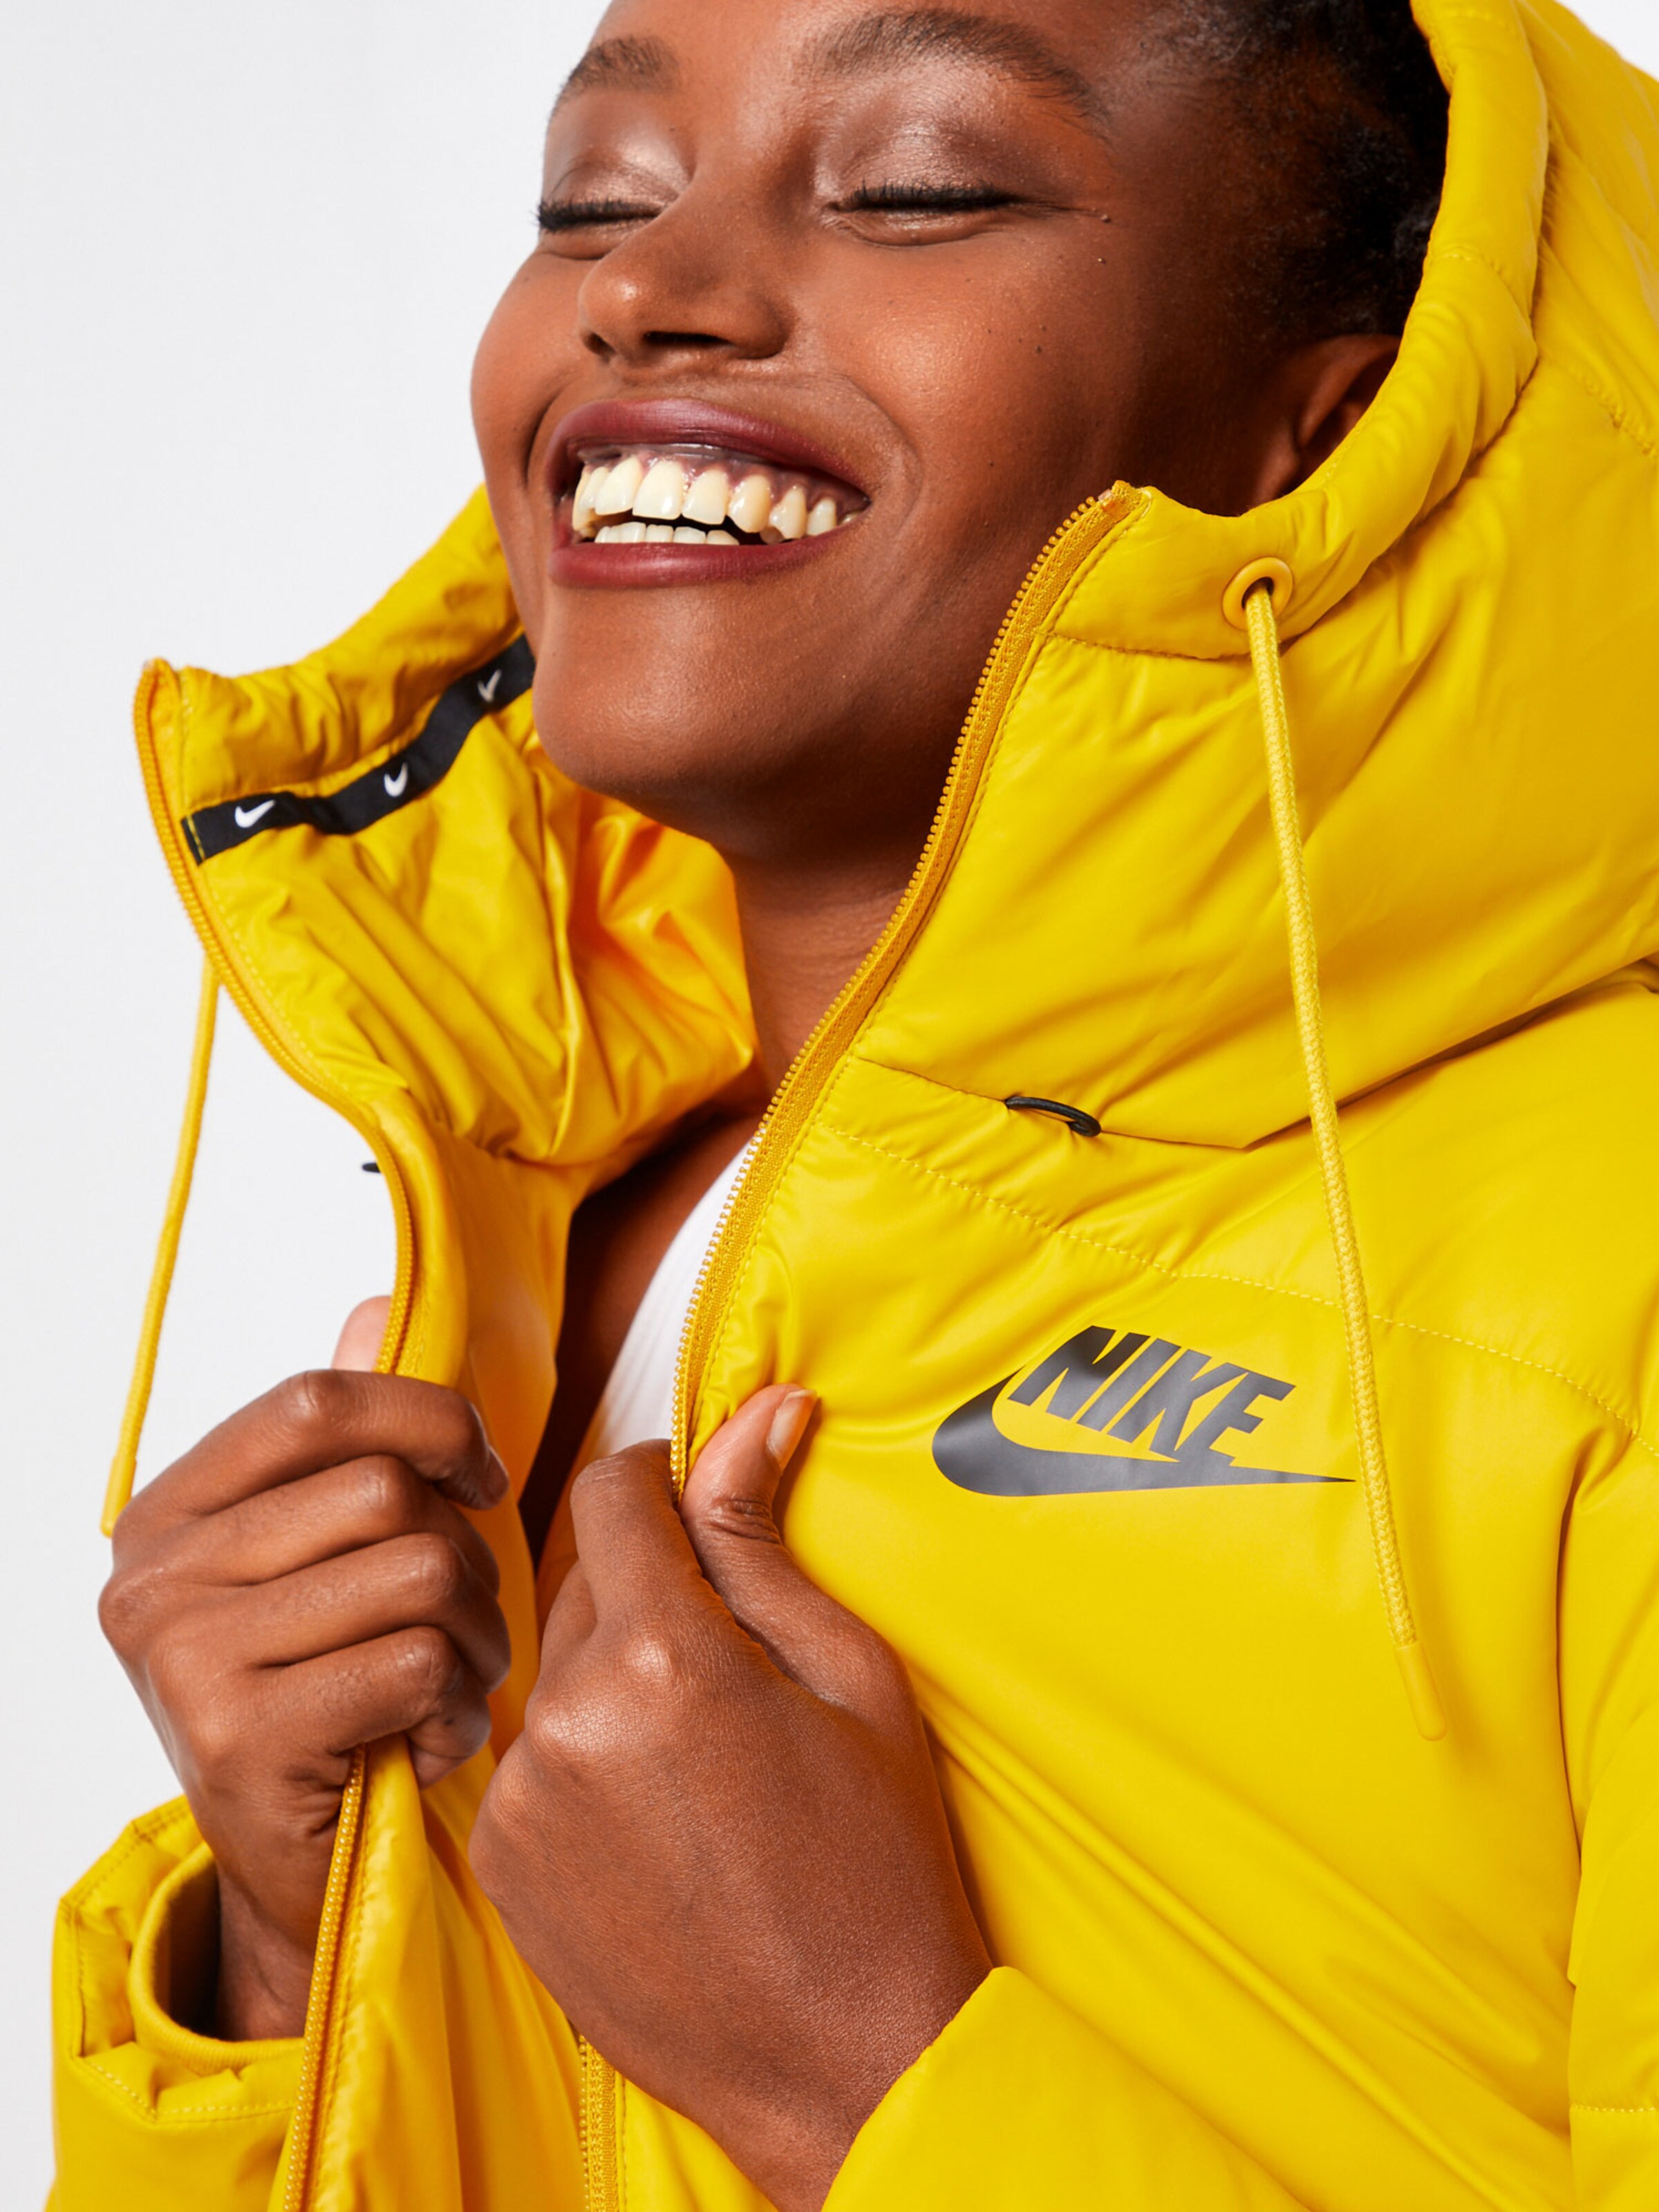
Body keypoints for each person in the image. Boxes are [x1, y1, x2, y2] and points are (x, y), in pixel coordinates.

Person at [52, 0, 1659, 2204]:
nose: (648, 285)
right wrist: (279, 1951)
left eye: (916, 186)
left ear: (1345, 431)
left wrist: (870, 2083)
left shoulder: (1613, 1263)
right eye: (592, 201)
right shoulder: (532, 1214)